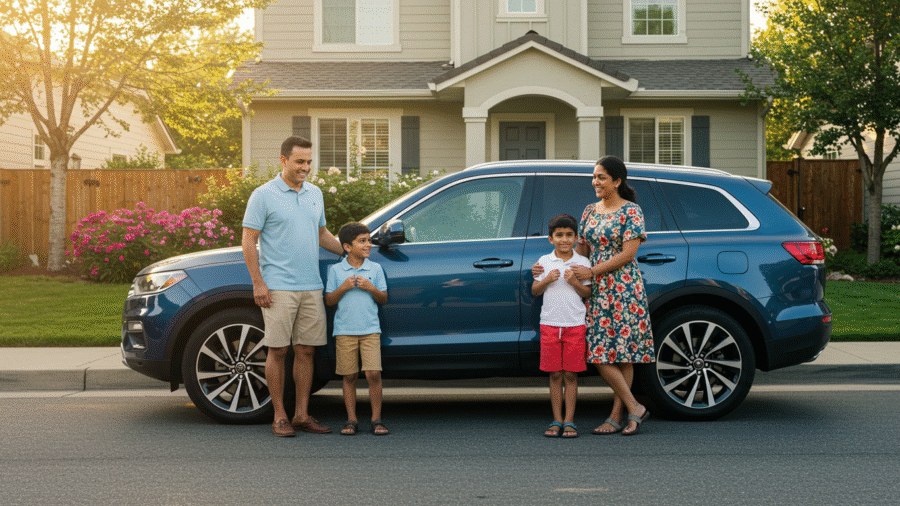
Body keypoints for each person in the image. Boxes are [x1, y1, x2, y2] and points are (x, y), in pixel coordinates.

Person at [532, 156, 654, 436]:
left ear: (617, 181)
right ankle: (635, 406)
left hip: (624, 287)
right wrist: (553, 264)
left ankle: (619, 415)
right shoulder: (589, 211)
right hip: (597, 290)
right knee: (599, 353)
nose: (595, 182)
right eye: (594, 177)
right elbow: (581, 251)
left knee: (624, 353)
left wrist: (592, 272)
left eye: (601, 177)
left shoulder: (631, 211)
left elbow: (629, 253)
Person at [242, 135, 344, 437]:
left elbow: (322, 233)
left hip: (311, 285)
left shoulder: (314, 194)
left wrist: (348, 251)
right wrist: (258, 283)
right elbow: (249, 241)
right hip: (278, 287)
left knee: (306, 352)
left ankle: (301, 414)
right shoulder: (263, 195)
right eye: (300, 161)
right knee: (278, 351)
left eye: (309, 162)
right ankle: (280, 416)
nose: (306, 167)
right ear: (284, 160)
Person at [325, 222, 389, 436]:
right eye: (362, 241)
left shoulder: (375, 268)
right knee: (349, 376)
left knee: (373, 374)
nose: (369, 244)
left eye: (369, 240)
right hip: (345, 331)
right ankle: (351, 419)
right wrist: (343, 287)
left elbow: (383, 297)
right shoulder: (336, 270)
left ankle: (376, 419)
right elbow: (329, 301)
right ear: (347, 247)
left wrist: (371, 287)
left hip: (370, 329)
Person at [531, 214, 592, 438]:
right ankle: (556, 419)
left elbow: (588, 293)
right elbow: (535, 291)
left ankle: (570, 420)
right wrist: (547, 279)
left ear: (576, 238)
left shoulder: (583, 263)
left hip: (575, 324)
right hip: (549, 324)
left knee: (571, 375)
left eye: (569, 235)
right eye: (559, 235)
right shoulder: (544, 262)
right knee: (555, 374)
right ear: (550, 239)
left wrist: (574, 281)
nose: (564, 240)